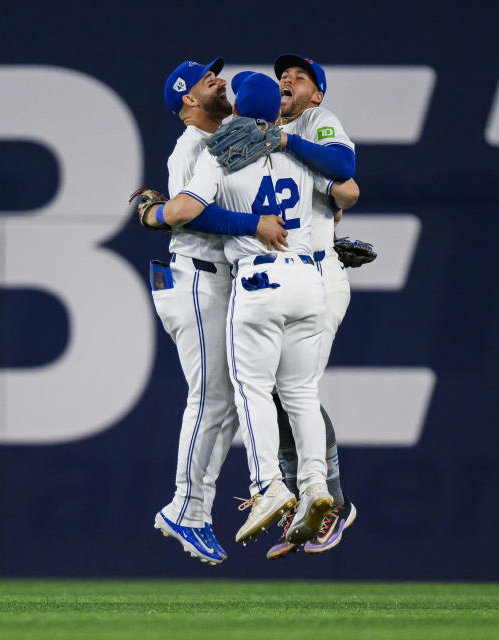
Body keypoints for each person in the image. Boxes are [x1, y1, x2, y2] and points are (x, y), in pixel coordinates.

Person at [156, 72, 360, 546]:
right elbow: (346, 190)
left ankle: (266, 485)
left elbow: (183, 211)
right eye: (210, 80)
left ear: (242, 108)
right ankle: (314, 488)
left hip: (257, 278)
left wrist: (155, 212)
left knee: (251, 390)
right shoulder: (299, 148)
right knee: (301, 393)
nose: (221, 84)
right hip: (308, 278)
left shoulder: (222, 149)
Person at [150, 58, 280, 566]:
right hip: (196, 278)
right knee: (210, 397)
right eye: (209, 80)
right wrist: (254, 225)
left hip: (215, 280)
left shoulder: (223, 139)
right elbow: (192, 212)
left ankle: (196, 510)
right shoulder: (191, 147)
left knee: (225, 403)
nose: (221, 81)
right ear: (188, 100)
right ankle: (185, 507)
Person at [262, 54, 360, 558]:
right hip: (275, 281)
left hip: (317, 278)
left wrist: (288, 141)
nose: (289, 80)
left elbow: (347, 177)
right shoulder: (263, 134)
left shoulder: (315, 123)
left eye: (300, 78)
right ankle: (307, 499)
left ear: (316, 94)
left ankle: (330, 504)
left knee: (294, 390)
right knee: (276, 393)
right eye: (285, 75)